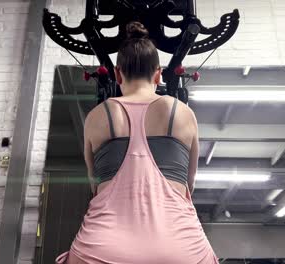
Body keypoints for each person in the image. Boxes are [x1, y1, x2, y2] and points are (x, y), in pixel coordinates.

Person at [56, 21, 219, 264]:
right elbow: (189, 185)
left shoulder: (98, 115)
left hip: (102, 249)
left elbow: (94, 184)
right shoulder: (183, 113)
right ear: (158, 74)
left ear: (118, 73)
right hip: (181, 249)